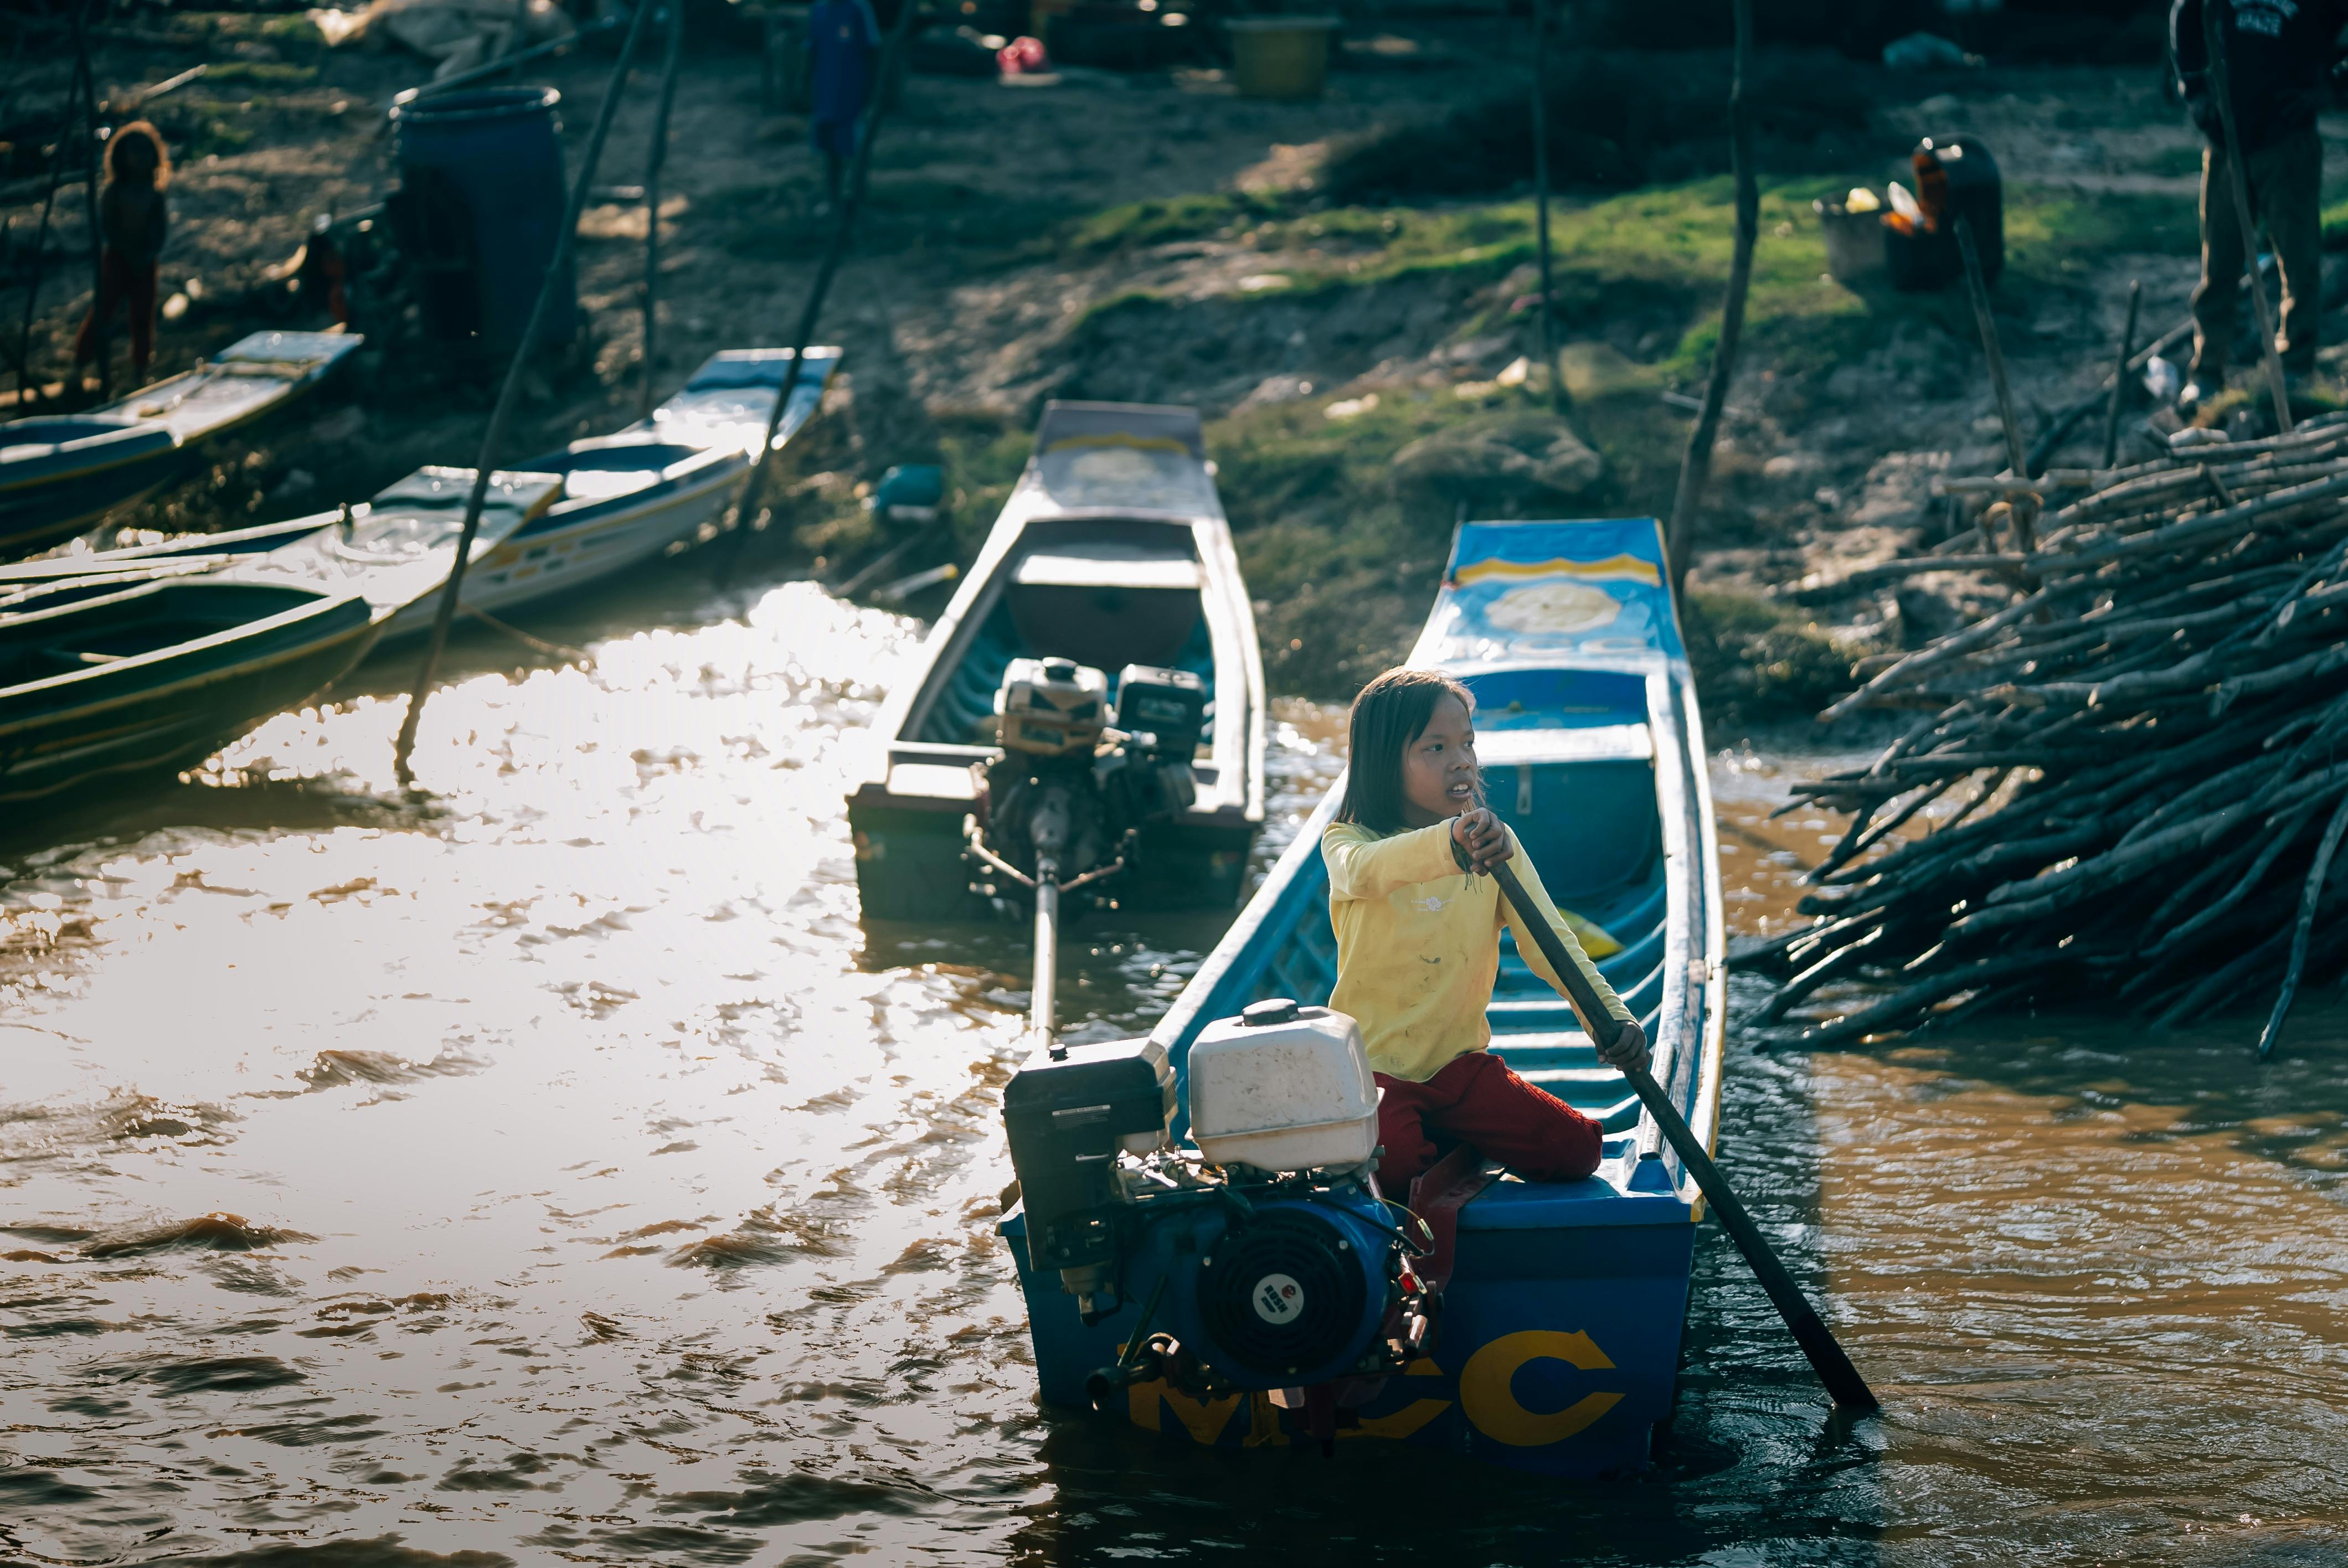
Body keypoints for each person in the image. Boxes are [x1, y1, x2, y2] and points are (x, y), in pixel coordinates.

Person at [1321, 667, 1649, 1192]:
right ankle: (1433, 1136)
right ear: (1384, 761)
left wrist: (1610, 1020)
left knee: (1577, 1150)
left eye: (1468, 744)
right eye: (1436, 748)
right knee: (1394, 1169)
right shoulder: (1347, 841)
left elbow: (1552, 945)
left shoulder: (1496, 846)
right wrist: (1450, 843)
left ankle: (1447, 1132)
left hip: (1462, 1072)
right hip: (1375, 1074)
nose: (1462, 761)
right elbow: (1364, 871)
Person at [2169, 0, 2348, 411]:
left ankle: (2295, 369)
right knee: (2220, 266)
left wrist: (2333, 87)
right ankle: (2207, 372)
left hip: (2289, 142)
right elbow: (2185, 13)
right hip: (2227, 140)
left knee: (2300, 263)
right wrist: (2194, 89)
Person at [71, 120, 172, 391]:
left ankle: (140, 371)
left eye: (145, 150)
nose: (140, 157)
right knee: (103, 311)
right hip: (117, 259)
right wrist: (127, 251)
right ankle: (79, 365)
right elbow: (108, 227)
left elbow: (160, 230)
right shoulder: (115, 192)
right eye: (134, 150)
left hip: (145, 262)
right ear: (122, 155)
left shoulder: (154, 195)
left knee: (143, 316)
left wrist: (147, 253)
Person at [807, 0, 880, 211]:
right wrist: (804, 83)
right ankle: (832, 197)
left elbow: (872, 50)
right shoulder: (819, 10)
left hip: (851, 95)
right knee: (828, 148)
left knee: (853, 147)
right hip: (825, 94)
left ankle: (858, 197)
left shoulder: (857, 9)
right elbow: (812, 48)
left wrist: (872, 90)